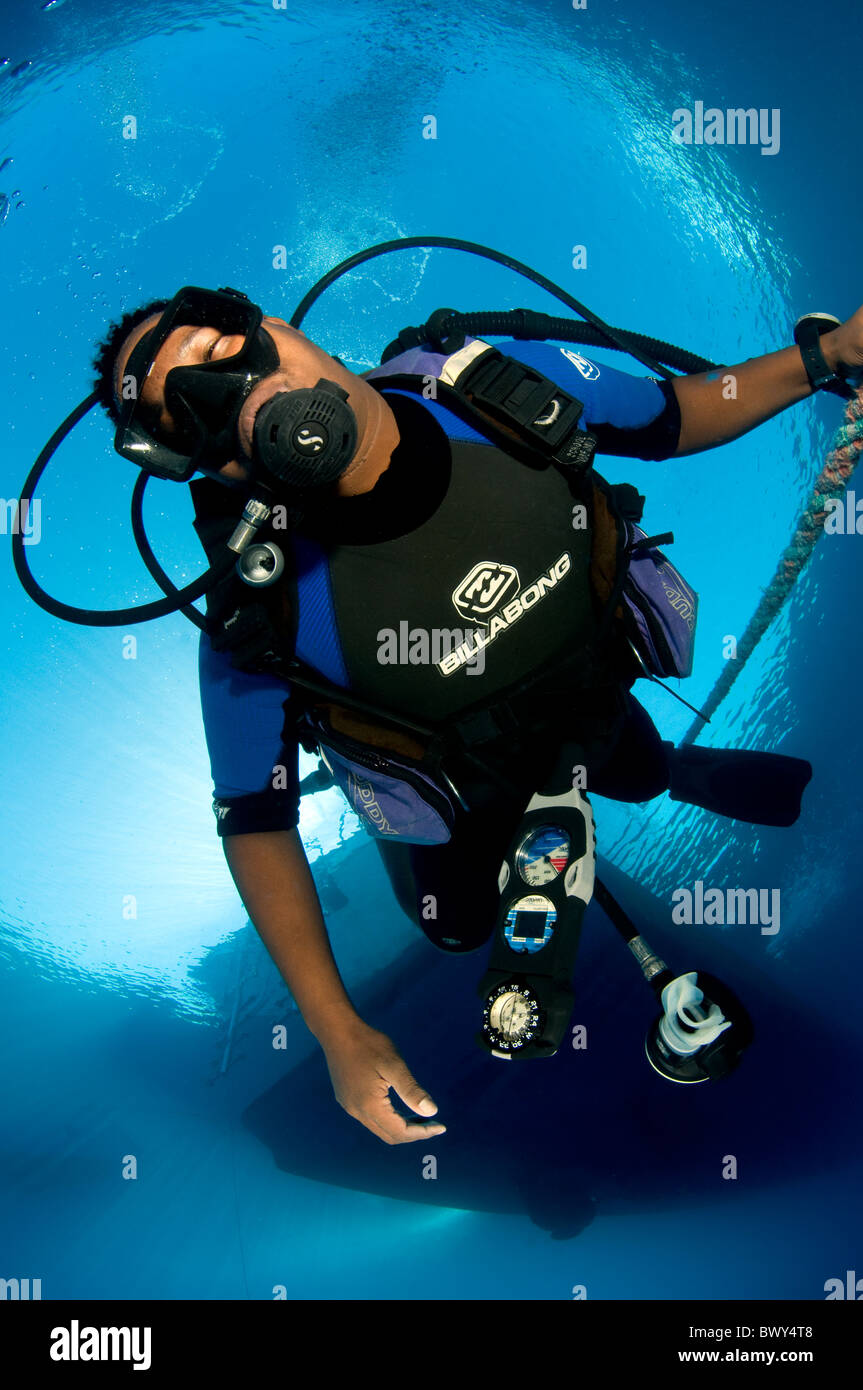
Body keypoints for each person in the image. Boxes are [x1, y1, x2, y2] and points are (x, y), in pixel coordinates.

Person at [91, 292, 863, 1145]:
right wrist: (335, 1029)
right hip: (459, 790)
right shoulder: (255, 615)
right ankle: (406, 833)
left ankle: (672, 771)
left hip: (586, 706)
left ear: (277, 325)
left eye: (218, 345)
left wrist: (825, 358)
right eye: (191, 416)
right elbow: (253, 817)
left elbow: (675, 413)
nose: (236, 397)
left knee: (641, 775)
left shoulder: (487, 388)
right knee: (457, 932)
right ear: (204, 468)